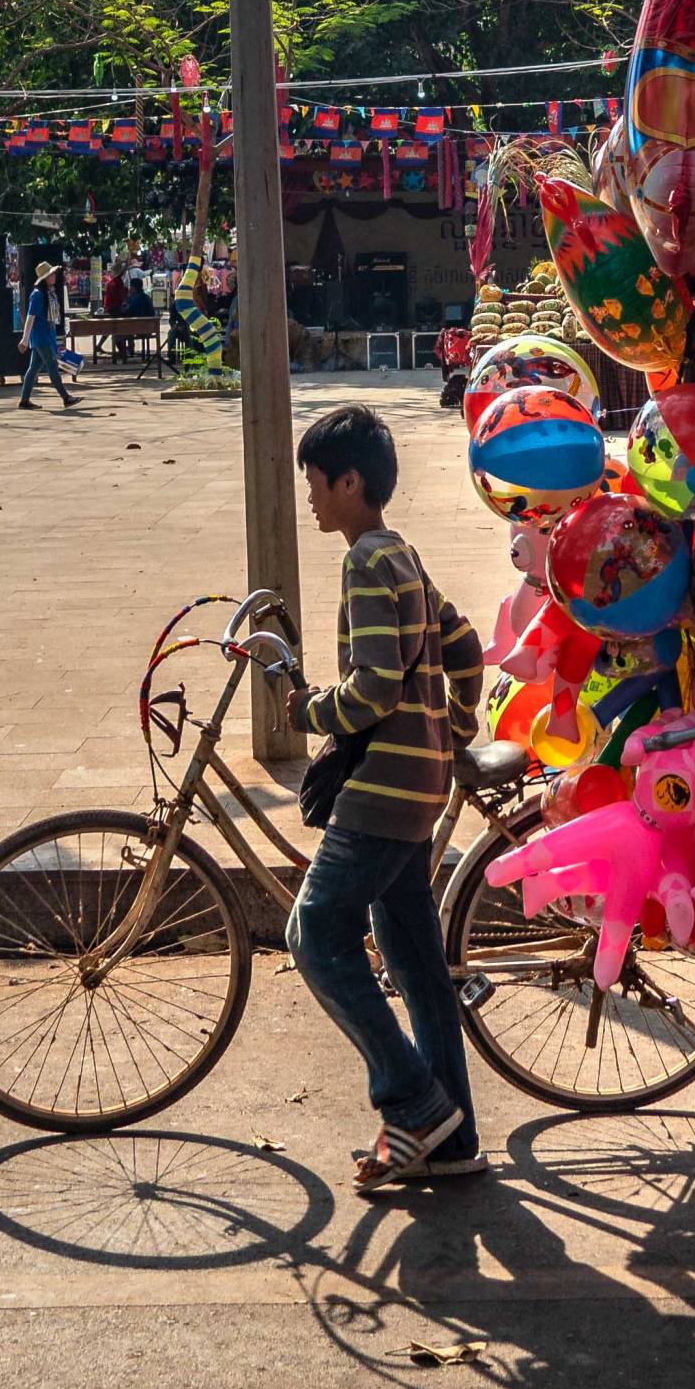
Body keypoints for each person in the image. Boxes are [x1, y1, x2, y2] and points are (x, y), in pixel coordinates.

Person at [282, 403, 486, 1194]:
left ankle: (410, 1101)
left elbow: (369, 690)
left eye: (314, 482)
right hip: (422, 784)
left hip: (382, 790)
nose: (310, 498)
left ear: (350, 481)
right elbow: (464, 646)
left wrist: (310, 711)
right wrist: (449, 729)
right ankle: (454, 1137)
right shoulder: (405, 555)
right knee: (416, 963)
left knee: (313, 933)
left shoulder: (365, 561)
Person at [17, 260, 75, 410]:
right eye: (51, 274)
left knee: (34, 368)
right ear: (45, 278)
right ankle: (66, 397)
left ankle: (24, 400)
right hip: (40, 336)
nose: (54, 276)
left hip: (46, 335)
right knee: (52, 366)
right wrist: (24, 339)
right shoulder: (38, 295)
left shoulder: (48, 293)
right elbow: (30, 317)